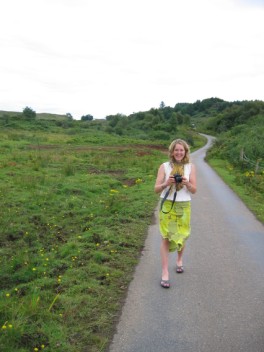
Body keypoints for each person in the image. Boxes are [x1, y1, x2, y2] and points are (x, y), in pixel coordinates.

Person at [154, 139, 197, 288]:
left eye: (182, 150)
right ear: (172, 151)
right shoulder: (164, 166)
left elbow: (194, 190)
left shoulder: (190, 167)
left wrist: (187, 183)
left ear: (185, 152)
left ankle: (179, 260)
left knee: (182, 235)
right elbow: (156, 189)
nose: (179, 153)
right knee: (167, 237)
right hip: (168, 205)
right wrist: (166, 183)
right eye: (176, 150)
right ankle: (165, 272)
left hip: (184, 205)